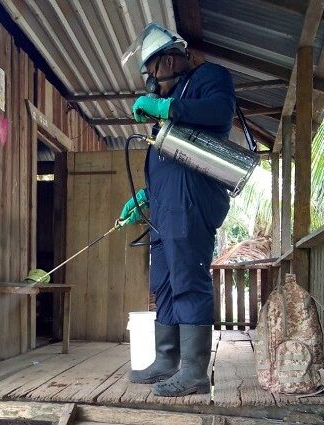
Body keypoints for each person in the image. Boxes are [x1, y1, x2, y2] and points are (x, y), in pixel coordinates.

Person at [119, 23, 236, 397]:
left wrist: (167, 106)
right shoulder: (167, 114)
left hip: (191, 201)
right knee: (165, 284)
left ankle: (194, 372)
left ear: (169, 59)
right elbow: (168, 161)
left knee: (188, 280)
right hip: (165, 207)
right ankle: (167, 360)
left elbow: (220, 112)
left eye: (152, 71)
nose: (151, 81)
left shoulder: (208, 78)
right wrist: (145, 197)